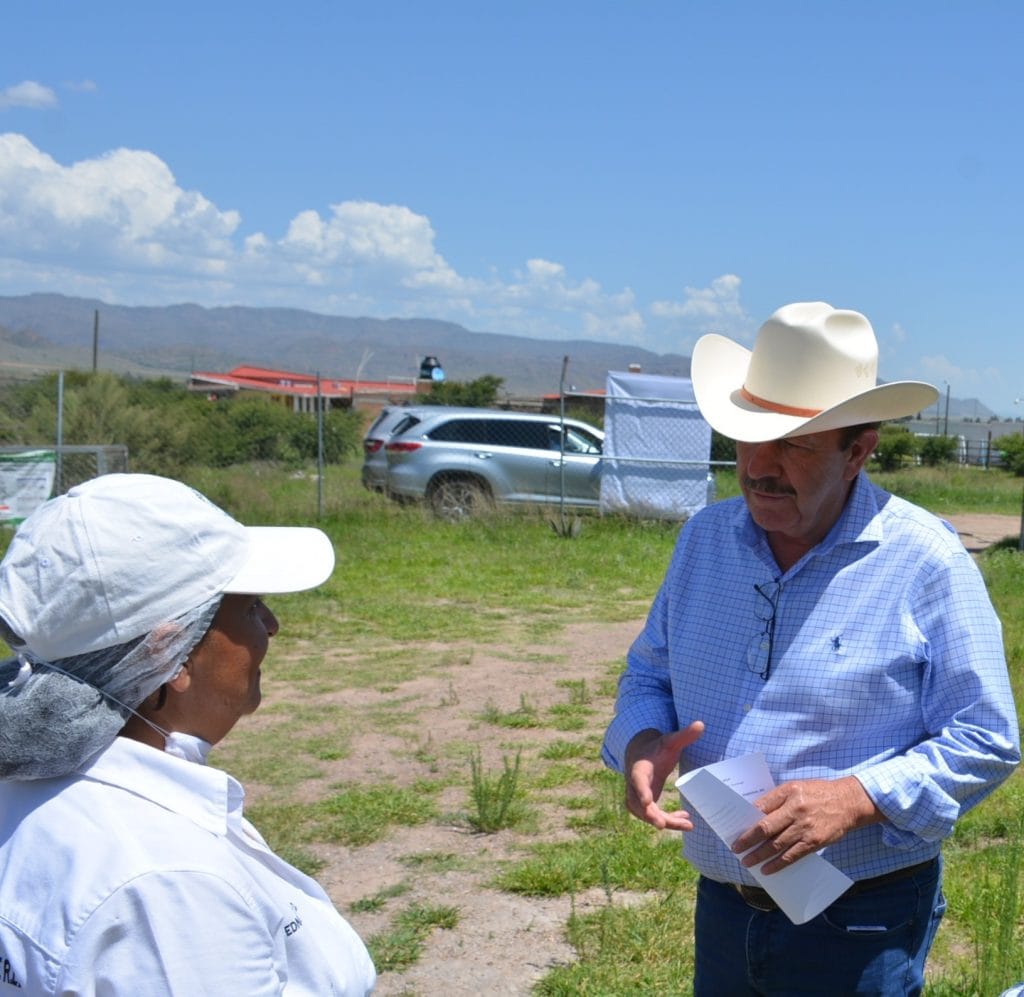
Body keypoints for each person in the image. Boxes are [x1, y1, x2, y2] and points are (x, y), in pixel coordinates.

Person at [601, 301, 1020, 995]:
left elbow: (988, 736)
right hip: (725, 904)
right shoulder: (705, 540)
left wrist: (857, 796)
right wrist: (642, 740)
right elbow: (648, 669)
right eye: (746, 437)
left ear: (858, 449)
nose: (760, 466)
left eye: (794, 443)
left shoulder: (925, 561)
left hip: (862, 918)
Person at [0, 473, 376, 996]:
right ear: (167, 655)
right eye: (248, 607)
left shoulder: (31, 793)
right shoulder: (167, 888)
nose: (271, 625)